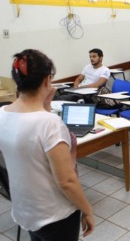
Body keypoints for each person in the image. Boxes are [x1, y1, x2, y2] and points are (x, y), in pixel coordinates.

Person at [0, 49, 95, 240]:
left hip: (26, 209)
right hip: (55, 215)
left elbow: (27, 149)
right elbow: (66, 181)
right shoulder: (49, 123)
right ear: (47, 80)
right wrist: (87, 210)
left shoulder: (2, 113)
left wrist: (45, 109)